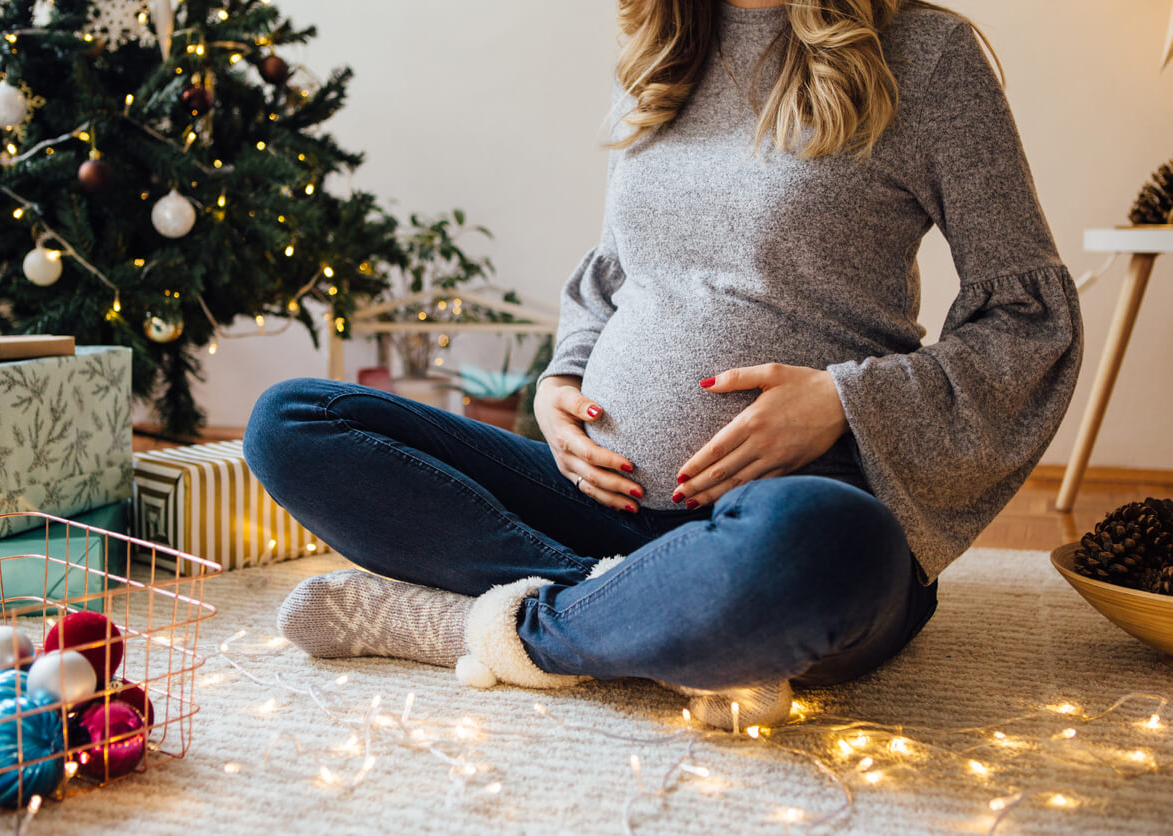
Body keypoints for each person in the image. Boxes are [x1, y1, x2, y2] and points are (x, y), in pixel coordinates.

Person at [244, 0, 1082, 729]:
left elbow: (1027, 320)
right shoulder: (663, 57)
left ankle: (496, 627)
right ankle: (635, 614)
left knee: (827, 549)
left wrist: (841, 399)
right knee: (293, 423)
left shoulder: (926, 57)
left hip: (788, 519)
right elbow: (618, 271)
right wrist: (558, 383)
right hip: (597, 505)